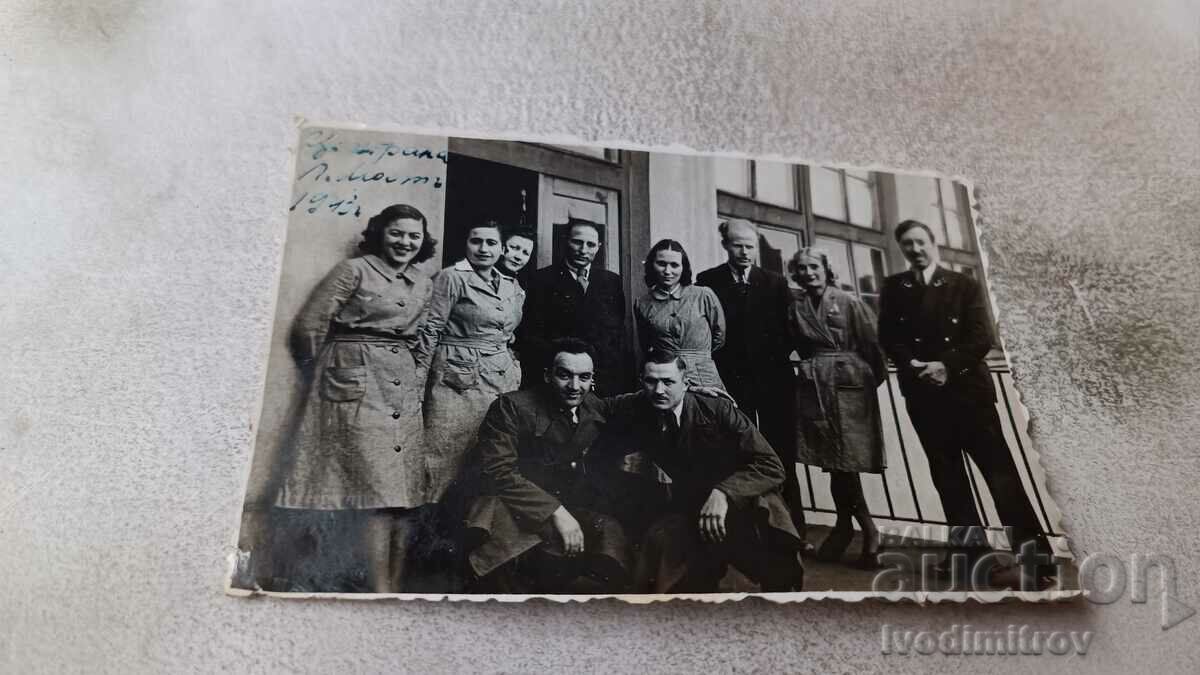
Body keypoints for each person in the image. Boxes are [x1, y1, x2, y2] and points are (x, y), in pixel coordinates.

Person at [878, 220, 1055, 585]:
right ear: (901, 249)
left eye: (920, 242)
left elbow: (981, 338)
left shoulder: (964, 285)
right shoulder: (895, 287)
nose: (915, 249)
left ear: (933, 244)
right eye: (907, 244)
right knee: (949, 480)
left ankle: (1038, 564)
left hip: (968, 397)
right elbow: (889, 336)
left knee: (1001, 477)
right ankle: (970, 555)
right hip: (925, 397)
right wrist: (913, 365)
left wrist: (945, 365)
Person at [273, 203, 437, 593]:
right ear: (380, 233)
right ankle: (379, 589)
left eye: (413, 236)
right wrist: (331, 374)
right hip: (354, 385)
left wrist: (412, 372)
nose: (405, 242)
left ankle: (393, 586)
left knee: (401, 493)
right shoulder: (355, 270)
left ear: (422, 241)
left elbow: (420, 336)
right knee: (375, 490)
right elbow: (309, 326)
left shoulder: (424, 281)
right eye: (396, 233)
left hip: (400, 386)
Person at [612, 350, 805, 593]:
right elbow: (595, 405)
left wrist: (723, 493)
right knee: (666, 556)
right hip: (694, 507)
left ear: (686, 384)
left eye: (668, 382)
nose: (659, 390)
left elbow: (771, 465)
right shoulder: (640, 405)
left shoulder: (719, 410)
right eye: (651, 381)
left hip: (749, 504)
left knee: (777, 577)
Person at [464, 338, 631, 593]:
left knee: (609, 535)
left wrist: (697, 395)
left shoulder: (594, 407)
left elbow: (640, 401)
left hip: (562, 509)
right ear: (547, 375)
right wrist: (556, 512)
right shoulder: (511, 407)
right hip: (512, 509)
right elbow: (498, 472)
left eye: (584, 377)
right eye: (565, 375)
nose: (575, 386)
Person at [695, 218, 810, 549]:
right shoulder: (708, 280)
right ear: (725, 245)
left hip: (774, 382)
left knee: (781, 453)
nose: (744, 252)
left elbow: (791, 331)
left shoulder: (774, 282)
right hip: (732, 382)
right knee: (737, 451)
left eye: (749, 245)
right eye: (737, 245)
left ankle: (793, 532)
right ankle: (745, 533)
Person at [786, 248, 888, 569]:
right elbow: (798, 345)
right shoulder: (797, 307)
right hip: (817, 387)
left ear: (826, 269)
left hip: (850, 390)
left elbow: (873, 348)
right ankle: (847, 529)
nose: (808, 273)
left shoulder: (848, 302)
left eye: (814, 266)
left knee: (846, 463)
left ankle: (867, 531)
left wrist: (862, 382)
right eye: (801, 268)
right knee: (833, 463)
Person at [414, 220, 525, 504]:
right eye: (476, 241)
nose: (483, 249)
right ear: (466, 244)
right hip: (456, 382)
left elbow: (508, 332)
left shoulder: (511, 285)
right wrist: (417, 383)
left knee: (488, 457)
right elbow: (430, 330)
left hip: (500, 381)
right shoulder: (452, 277)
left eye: (491, 243)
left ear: (502, 249)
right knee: (444, 455)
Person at [519, 220, 630, 395]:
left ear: (599, 246)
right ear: (565, 241)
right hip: (560, 378)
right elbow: (532, 334)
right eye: (577, 242)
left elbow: (618, 333)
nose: (583, 250)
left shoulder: (611, 281)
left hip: (602, 379)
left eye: (591, 244)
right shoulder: (541, 279)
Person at [634, 239, 727, 389]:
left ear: (683, 267)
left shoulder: (703, 295)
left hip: (704, 375)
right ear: (652, 265)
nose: (668, 271)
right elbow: (646, 343)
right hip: (666, 377)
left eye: (674, 265)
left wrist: (698, 356)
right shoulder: (643, 303)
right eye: (662, 264)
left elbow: (719, 337)